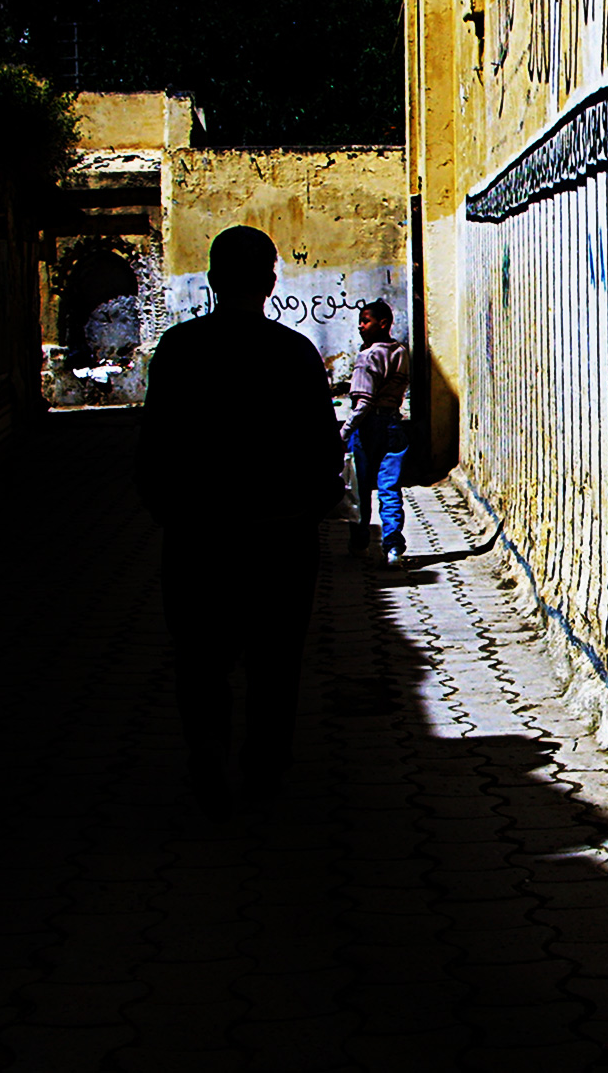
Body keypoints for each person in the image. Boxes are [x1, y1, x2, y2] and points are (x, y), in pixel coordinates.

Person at [136, 225, 344, 815]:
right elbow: (326, 454)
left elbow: (153, 448)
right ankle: (264, 766)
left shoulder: (178, 351)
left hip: (198, 538)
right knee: (275, 660)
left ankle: (207, 746)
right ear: (271, 283)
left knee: (200, 655)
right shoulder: (294, 353)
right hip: (279, 539)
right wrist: (308, 508)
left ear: (211, 279)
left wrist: (168, 511)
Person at [342, 300, 410, 567]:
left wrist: (345, 432)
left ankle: (360, 544)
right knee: (389, 487)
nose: (360, 326)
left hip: (368, 426)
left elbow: (364, 402)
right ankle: (393, 547)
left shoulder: (368, 356)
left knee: (360, 488)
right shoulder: (401, 352)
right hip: (393, 423)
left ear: (382, 324)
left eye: (365, 321)